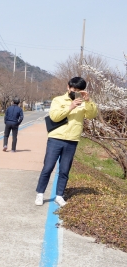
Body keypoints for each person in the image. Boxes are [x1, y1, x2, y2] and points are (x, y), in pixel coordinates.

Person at [35, 76, 97, 207]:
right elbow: (55, 117)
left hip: (72, 140)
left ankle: (59, 195)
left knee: (64, 170)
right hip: (56, 138)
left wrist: (88, 101)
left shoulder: (85, 102)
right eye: (73, 88)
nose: (75, 91)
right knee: (48, 167)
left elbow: (91, 115)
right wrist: (70, 106)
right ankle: (40, 194)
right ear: (68, 87)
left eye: (79, 90)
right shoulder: (58, 100)